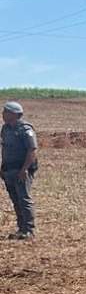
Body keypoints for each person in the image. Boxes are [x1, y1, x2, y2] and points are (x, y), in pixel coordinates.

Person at [1, 101, 37, 239]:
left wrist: (25, 169)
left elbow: (32, 150)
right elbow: (5, 148)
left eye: (6, 111)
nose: (3, 114)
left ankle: (29, 230)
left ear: (14, 114)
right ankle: (21, 229)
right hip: (9, 170)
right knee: (15, 200)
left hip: (21, 170)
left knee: (24, 199)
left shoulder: (25, 129)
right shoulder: (5, 129)